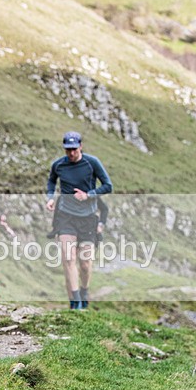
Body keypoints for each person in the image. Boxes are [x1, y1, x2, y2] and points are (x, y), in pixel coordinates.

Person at [45, 131, 112, 310]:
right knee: (68, 258)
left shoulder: (92, 163)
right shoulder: (58, 165)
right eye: (68, 150)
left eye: (74, 149)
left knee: (85, 263)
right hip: (65, 216)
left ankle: (84, 290)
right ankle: (75, 302)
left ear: (81, 146)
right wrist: (50, 198)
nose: (71, 153)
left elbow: (108, 186)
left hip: (88, 217)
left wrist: (88, 195)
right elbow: (51, 182)